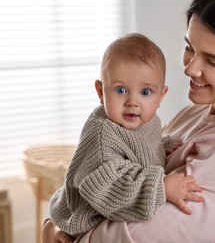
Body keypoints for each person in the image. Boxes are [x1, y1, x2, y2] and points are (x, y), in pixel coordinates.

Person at [43, 0, 215, 242]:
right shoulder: (193, 115)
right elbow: (107, 169)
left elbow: (129, 237)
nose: (190, 68)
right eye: (189, 48)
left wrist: (63, 235)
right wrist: (56, 223)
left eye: (212, 61)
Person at [48, 33, 203, 239]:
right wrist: (161, 186)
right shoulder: (103, 135)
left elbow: (138, 147)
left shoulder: (148, 121)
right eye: (120, 90)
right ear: (101, 91)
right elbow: (111, 186)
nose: (133, 101)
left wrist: (162, 148)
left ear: (161, 96)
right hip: (86, 221)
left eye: (145, 92)